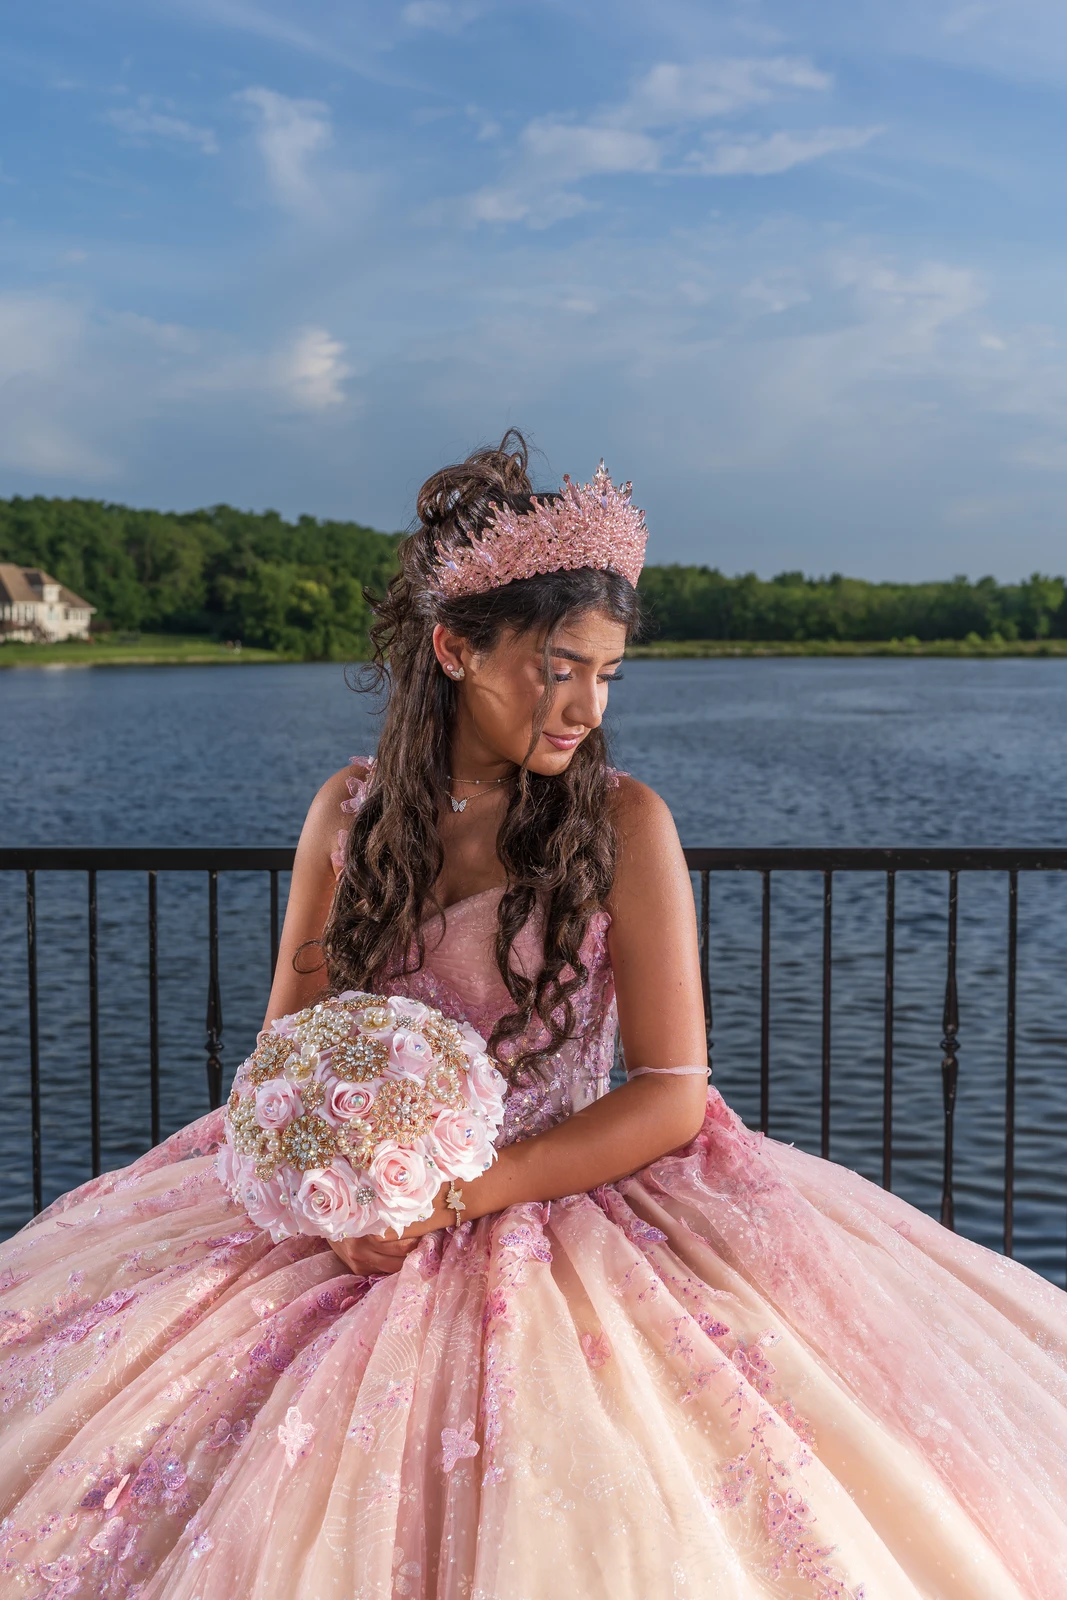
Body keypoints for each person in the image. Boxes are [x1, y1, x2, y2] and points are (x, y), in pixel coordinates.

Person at [0, 435, 1064, 1600]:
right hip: (356, 1207)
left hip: (561, 1193)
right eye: (558, 667)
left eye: (605, 675)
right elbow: (286, 1052)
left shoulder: (623, 824)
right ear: (456, 647)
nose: (582, 705)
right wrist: (330, 1186)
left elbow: (668, 1090)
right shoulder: (347, 814)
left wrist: (448, 1194)